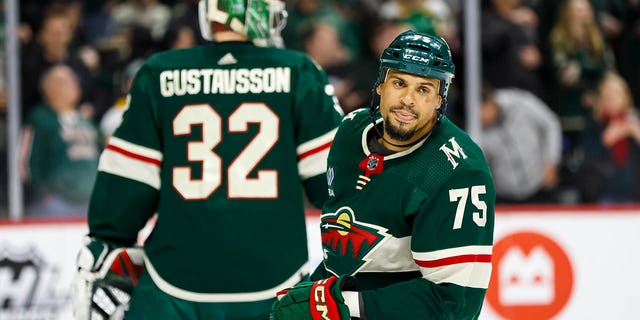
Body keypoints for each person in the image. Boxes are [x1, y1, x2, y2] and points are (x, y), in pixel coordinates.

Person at [71, 0, 343, 319]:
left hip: (174, 281)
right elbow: (334, 184)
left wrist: (106, 238)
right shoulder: (298, 71)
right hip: (275, 276)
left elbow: (126, 187)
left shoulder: (160, 73)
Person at [271, 30, 495, 319]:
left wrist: (343, 305)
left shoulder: (458, 171)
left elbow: (456, 303)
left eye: (424, 89)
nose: (408, 99)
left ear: (440, 100)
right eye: (399, 83)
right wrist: (315, 294)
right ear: (380, 86)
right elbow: (345, 255)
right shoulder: (351, 132)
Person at [19, 64, 101, 217]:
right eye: (66, 80)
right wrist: (43, 195)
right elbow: (25, 162)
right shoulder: (40, 119)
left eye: (75, 80)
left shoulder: (86, 121)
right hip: (57, 205)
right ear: (48, 88)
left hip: (91, 203)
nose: (74, 84)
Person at [479, 84, 562, 203]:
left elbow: (550, 123)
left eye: (482, 111)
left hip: (539, 188)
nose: (480, 117)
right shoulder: (476, 129)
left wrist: (551, 161)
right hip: (503, 198)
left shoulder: (519, 103)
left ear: (491, 102)